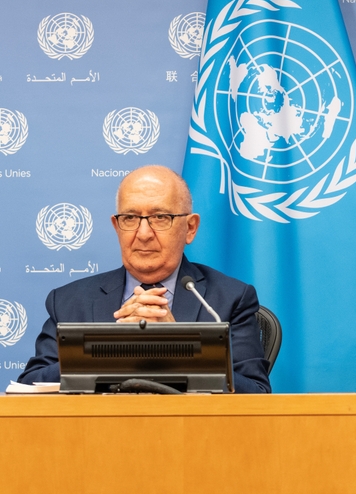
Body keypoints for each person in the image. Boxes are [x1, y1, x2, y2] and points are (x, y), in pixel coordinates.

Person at [19, 165, 271, 393]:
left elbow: (256, 392)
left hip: (191, 437)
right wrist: (102, 353)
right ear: (117, 227)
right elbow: (29, 385)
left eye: (160, 217)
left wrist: (178, 346)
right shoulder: (69, 301)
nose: (143, 233)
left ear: (190, 228)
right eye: (130, 218)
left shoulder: (229, 298)